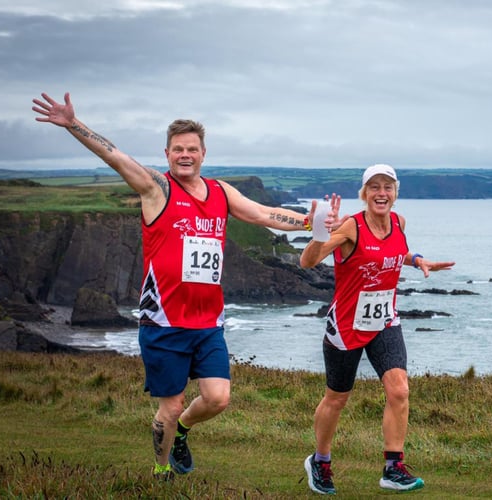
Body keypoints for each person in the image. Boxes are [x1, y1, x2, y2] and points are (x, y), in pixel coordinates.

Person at [31, 92, 334, 480]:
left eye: (192, 149)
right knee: (169, 408)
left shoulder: (221, 193)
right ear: (167, 153)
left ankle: (182, 434)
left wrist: (309, 223)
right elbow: (115, 156)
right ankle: (161, 471)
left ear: (203, 153)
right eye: (178, 149)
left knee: (218, 398)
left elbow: (263, 214)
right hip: (164, 324)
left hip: (207, 322)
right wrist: (73, 124)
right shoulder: (157, 189)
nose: (185, 155)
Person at [299, 164, 455, 494]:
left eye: (387, 187)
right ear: (364, 194)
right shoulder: (351, 229)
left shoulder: (399, 223)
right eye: (374, 187)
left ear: (395, 194)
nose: (381, 193)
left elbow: (395, 252)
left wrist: (417, 260)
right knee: (336, 399)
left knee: (399, 390)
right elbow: (308, 262)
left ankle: (393, 467)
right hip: (346, 326)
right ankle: (320, 461)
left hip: (384, 321)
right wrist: (320, 233)